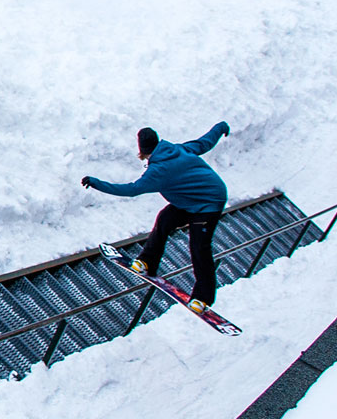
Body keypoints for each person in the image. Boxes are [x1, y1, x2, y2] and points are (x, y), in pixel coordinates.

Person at [82, 122, 231, 312]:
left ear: (142, 151)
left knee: (199, 246)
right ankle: (147, 262)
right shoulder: (176, 149)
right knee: (165, 218)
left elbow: (131, 190)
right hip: (190, 201)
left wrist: (96, 183)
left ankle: (203, 298)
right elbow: (203, 143)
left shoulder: (158, 171)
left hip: (209, 203)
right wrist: (220, 127)